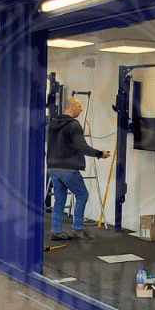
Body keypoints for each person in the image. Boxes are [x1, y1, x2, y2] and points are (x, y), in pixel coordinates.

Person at [46, 96, 109, 242]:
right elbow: (82, 147)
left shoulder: (53, 123)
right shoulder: (74, 125)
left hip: (53, 167)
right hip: (68, 168)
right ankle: (78, 228)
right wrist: (100, 154)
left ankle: (56, 231)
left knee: (60, 199)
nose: (81, 110)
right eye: (79, 107)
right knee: (82, 195)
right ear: (72, 106)